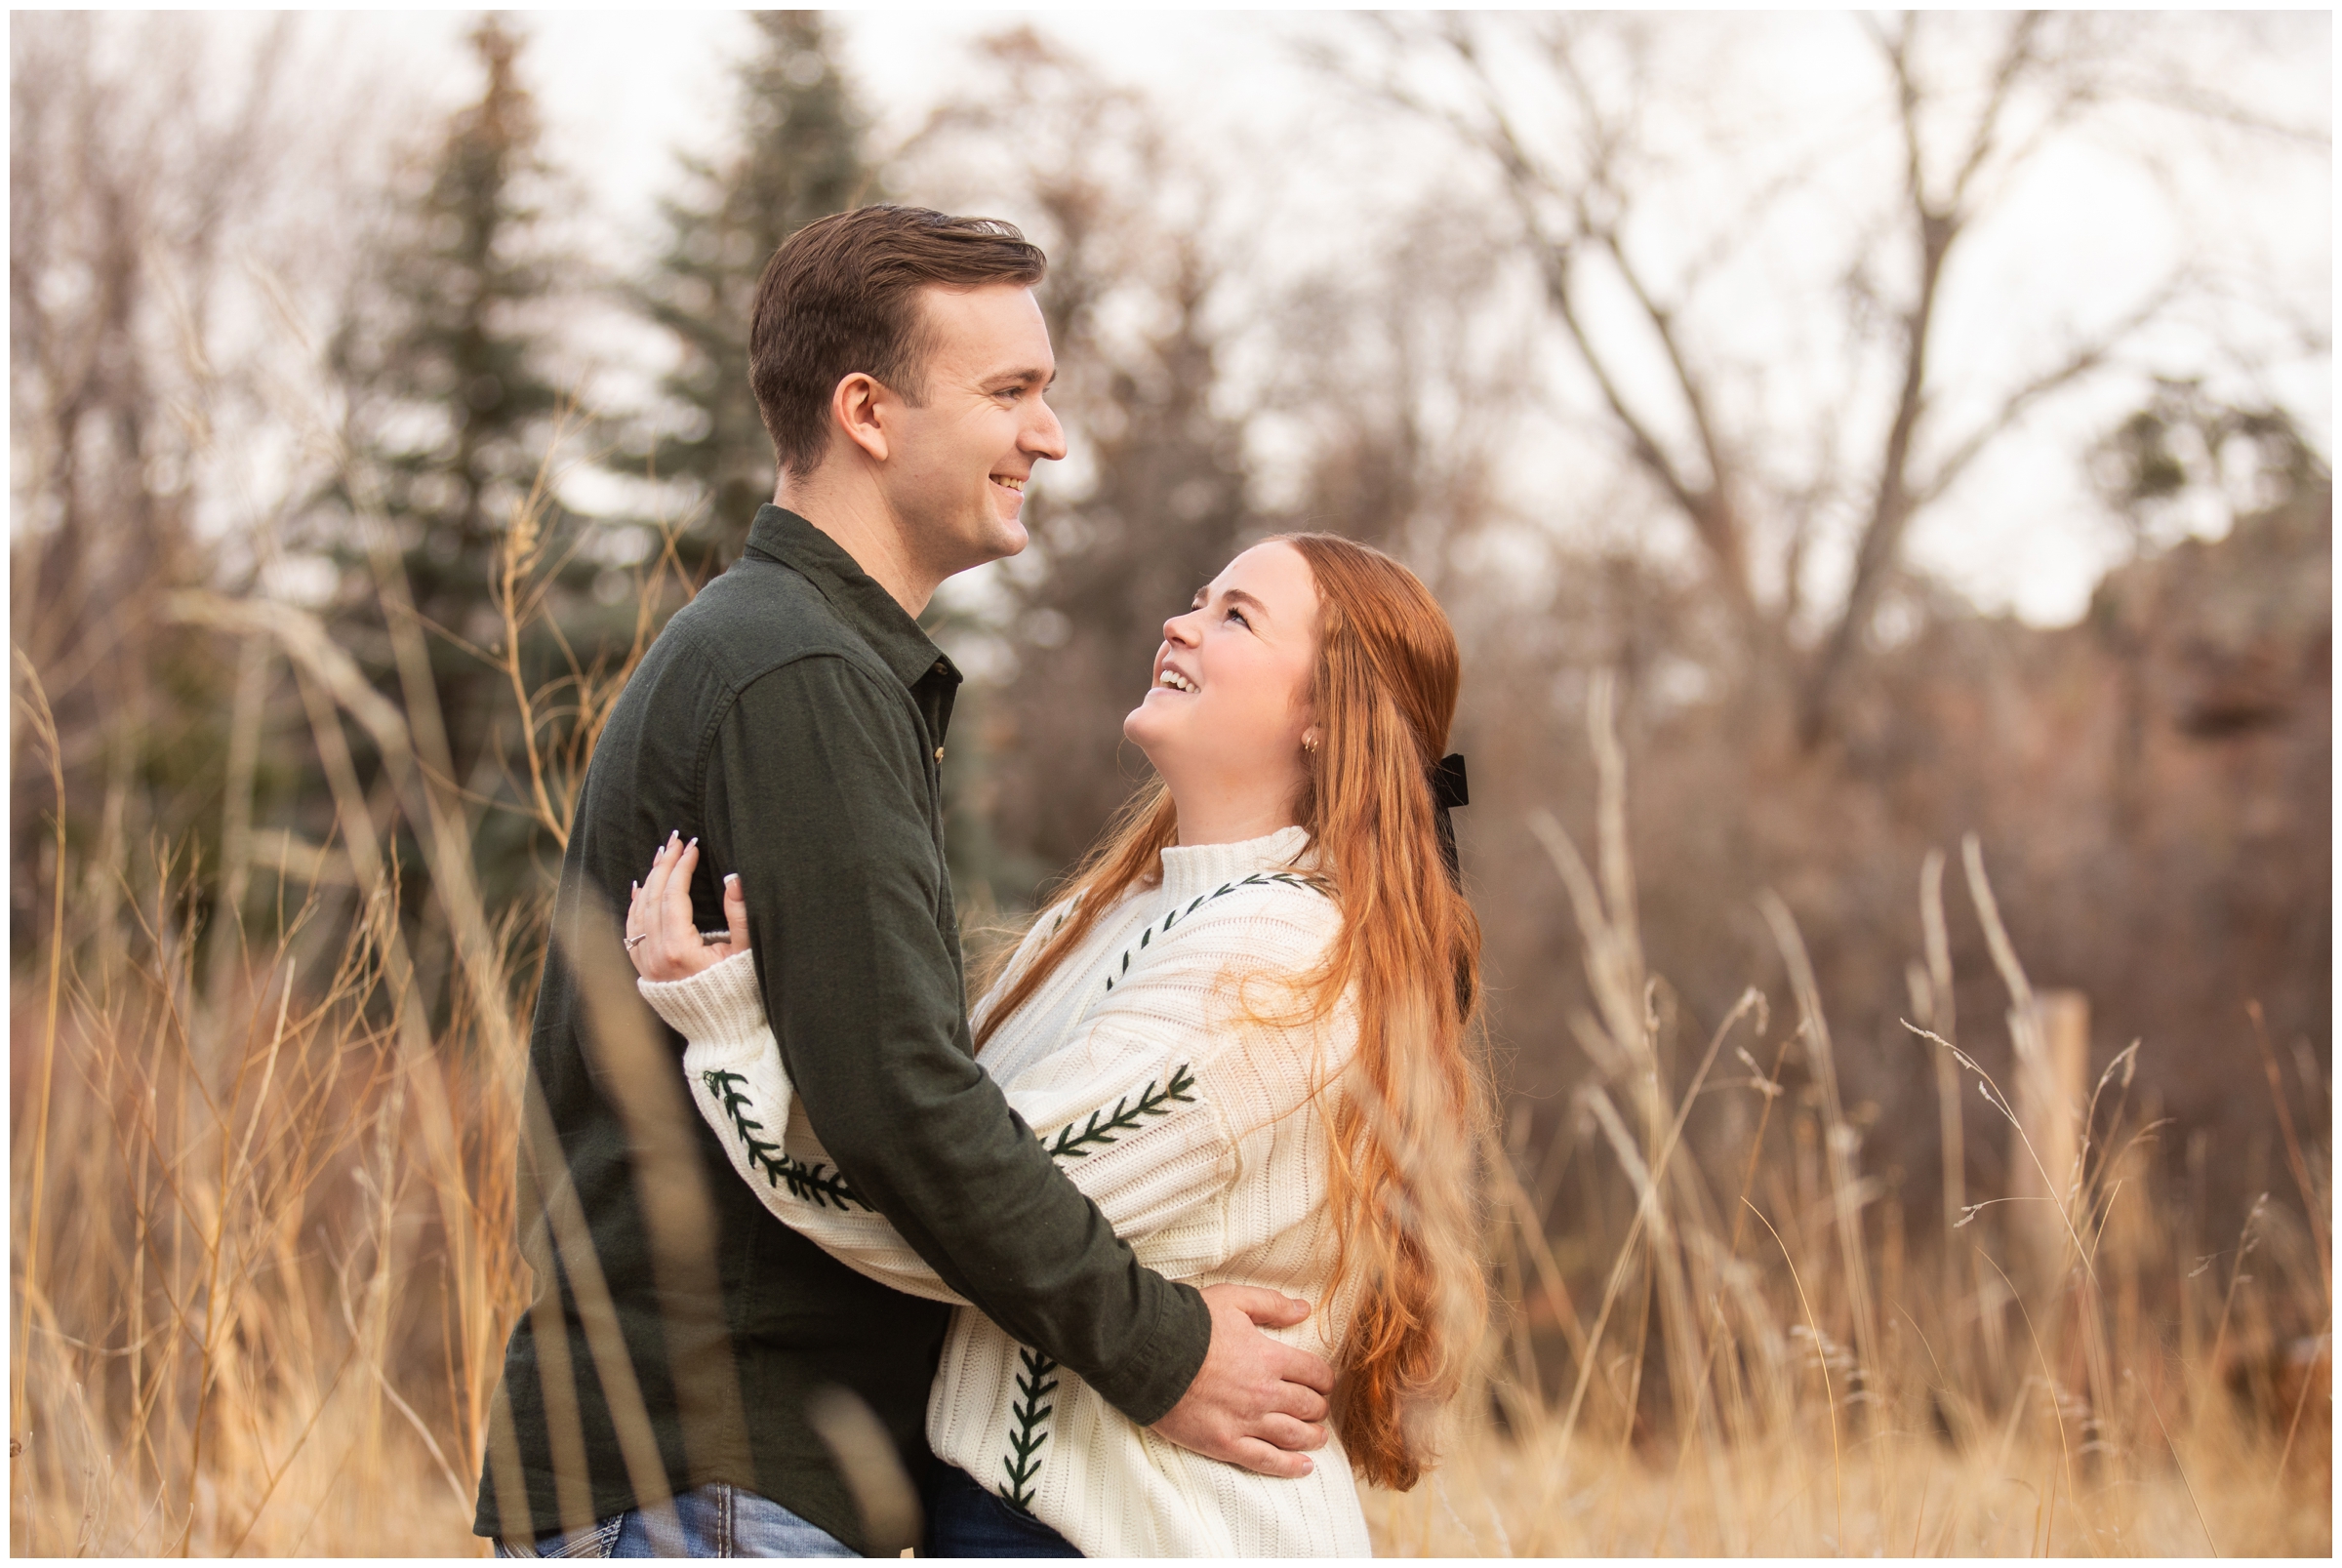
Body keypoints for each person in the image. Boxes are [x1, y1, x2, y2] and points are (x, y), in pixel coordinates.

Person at [474, 206, 1338, 1558]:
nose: (1047, 437)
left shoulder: (796, 660)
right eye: (1011, 392)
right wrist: (1170, 1348)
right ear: (868, 411)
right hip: (716, 1465)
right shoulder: (802, 675)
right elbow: (900, 1105)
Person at [626, 532, 1489, 1555]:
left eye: (1235, 615)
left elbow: (954, 1203)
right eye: (1198, 594)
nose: (1181, 621)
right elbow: (949, 1149)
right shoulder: (1118, 908)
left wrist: (729, 1034)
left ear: (1323, 717)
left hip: (1144, 1529)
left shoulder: (1280, 963)